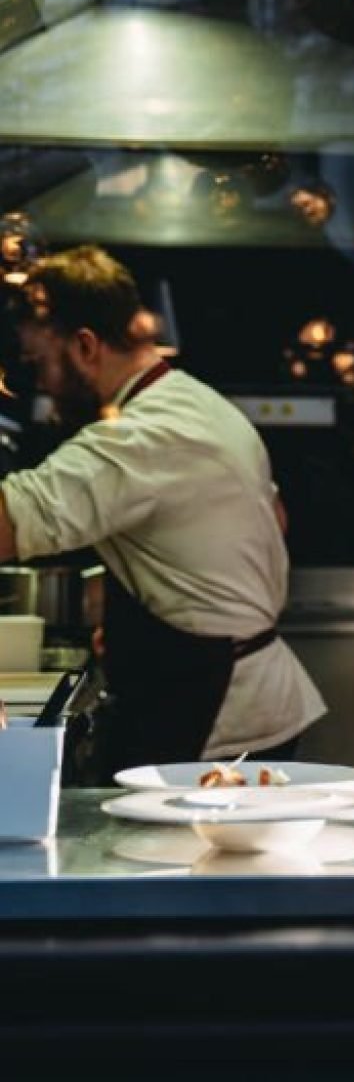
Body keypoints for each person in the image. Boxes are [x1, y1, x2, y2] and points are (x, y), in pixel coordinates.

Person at [0, 246, 325, 776]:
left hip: (215, 709)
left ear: (85, 346)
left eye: (39, 363)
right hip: (244, 692)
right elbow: (275, 519)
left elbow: (8, 526)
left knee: (166, 859)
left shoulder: (141, 436)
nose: (39, 383)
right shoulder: (195, 401)